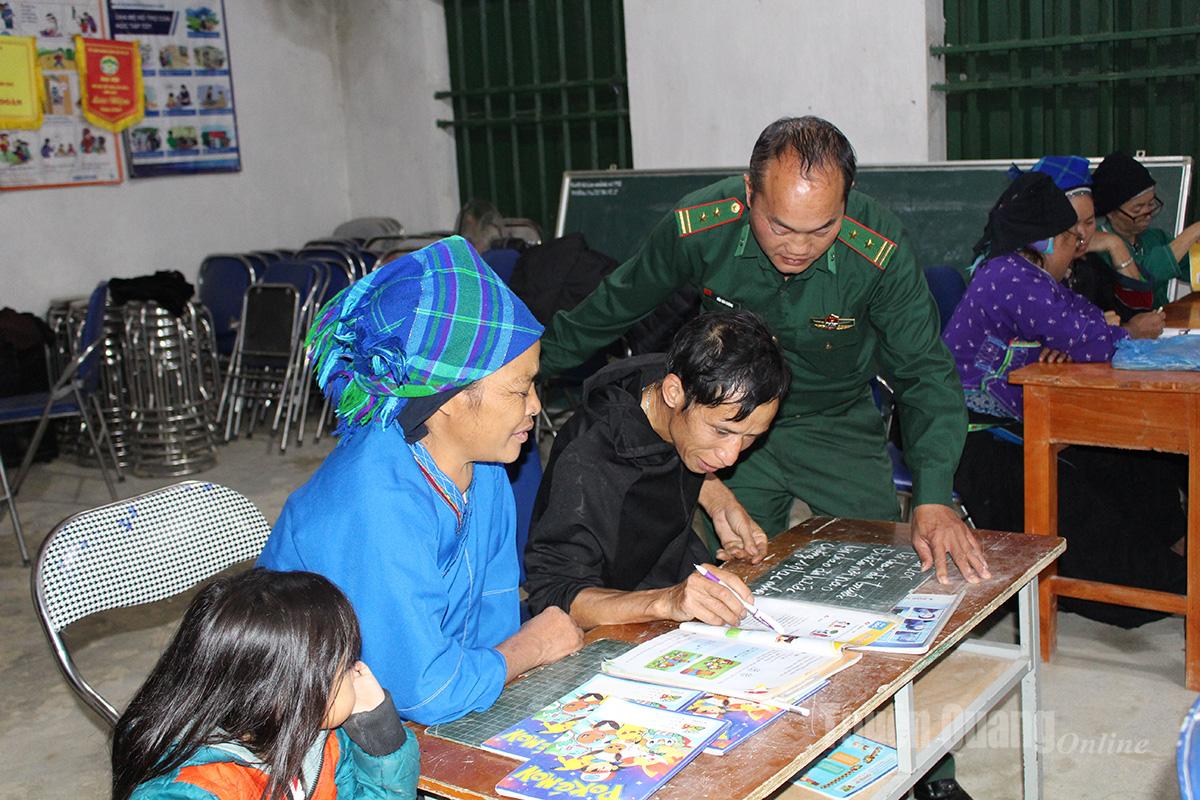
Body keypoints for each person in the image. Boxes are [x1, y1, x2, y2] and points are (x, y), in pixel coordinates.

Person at [539, 116, 989, 586]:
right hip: (732, 427)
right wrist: (524, 369)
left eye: (822, 228)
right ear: (750, 191)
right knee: (742, 579)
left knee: (882, 575)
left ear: (846, 199)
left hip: (835, 425)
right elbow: (614, 306)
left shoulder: (880, 252)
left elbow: (924, 373)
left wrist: (933, 496)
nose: (798, 247)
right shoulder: (700, 228)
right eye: (779, 226)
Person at [258, 236, 583, 726]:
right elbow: (423, 691)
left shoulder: (488, 466)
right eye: (519, 390)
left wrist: (504, 673)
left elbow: (495, 609)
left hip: (412, 701)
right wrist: (533, 646)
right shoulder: (375, 502)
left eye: (535, 384)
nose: (535, 406)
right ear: (445, 396)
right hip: (307, 725)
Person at [945, 171, 1185, 627]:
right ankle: (1163, 586)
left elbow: (1082, 321)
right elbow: (1094, 338)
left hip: (1020, 424)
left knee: (1129, 469)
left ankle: (1168, 566)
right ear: (1050, 241)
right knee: (1084, 511)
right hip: (972, 440)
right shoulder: (1009, 276)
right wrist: (1123, 332)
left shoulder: (1022, 271)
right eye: (1070, 238)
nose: (1078, 246)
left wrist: (1062, 344)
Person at [524, 310, 790, 629]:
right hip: (616, 620)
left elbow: (677, 438)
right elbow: (554, 597)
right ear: (673, 392)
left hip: (677, 571)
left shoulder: (671, 384)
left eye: (751, 437)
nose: (730, 457)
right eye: (722, 432)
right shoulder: (589, 459)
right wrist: (667, 601)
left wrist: (719, 501)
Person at [110, 569, 419, 800]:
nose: (359, 670)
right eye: (345, 665)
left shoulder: (323, 739)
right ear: (292, 694)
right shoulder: (194, 791)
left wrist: (381, 735)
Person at [1011, 155, 1165, 338]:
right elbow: (1053, 339)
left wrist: (1115, 245)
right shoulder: (1019, 271)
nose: (1082, 233)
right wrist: (1124, 331)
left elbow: (1137, 312)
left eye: (1090, 222)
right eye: (1073, 223)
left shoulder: (1086, 265)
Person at [1091, 151, 1200, 311]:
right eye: (1138, 209)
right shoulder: (1099, 247)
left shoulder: (1155, 238)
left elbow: (1192, 267)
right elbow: (1144, 276)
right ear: (1111, 211)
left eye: (1151, 204)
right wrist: (1193, 232)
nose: (1148, 214)